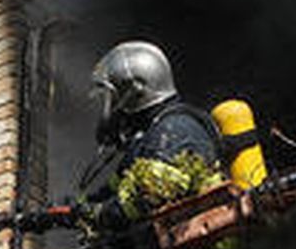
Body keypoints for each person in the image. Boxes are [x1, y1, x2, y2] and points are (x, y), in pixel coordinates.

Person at [77, 40, 222, 230]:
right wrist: (71, 209)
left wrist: (94, 213)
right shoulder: (148, 134)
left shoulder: (174, 131)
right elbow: (119, 186)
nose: (110, 106)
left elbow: (146, 201)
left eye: (113, 96)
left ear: (135, 91)